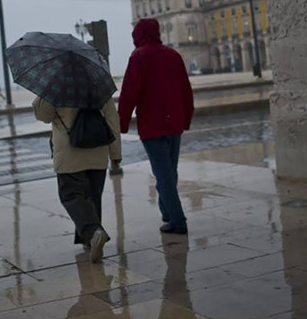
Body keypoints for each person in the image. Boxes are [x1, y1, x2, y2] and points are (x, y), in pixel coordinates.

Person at [118, 18, 194, 235]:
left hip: (152, 125)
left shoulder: (138, 57)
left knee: (163, 174)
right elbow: (186, 90)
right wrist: (186, 117)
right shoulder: (173, 55)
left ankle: (177, 220)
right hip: (175, 123)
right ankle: (168, 212)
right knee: (170, 171)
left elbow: (129, 94)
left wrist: (122, 122)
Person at [32, 96, 121, 263]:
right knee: (92, 197)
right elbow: (112, 118)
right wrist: (115, 154)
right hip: (98, 148)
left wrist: (45, 93)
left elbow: (43, 114)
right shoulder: (97, 83)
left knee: (71, 195)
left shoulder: (58, 86)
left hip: (69, 152)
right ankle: (89, 239)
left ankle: (94, 233)